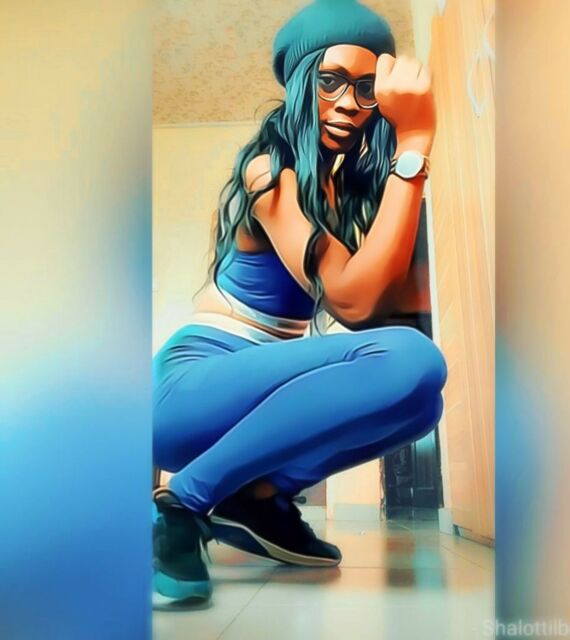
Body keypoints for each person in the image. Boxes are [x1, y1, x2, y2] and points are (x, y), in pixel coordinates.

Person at [152, 0, 447, 605]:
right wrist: (416, 142)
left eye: (366, 89)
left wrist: (402, 170)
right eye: (330, 80)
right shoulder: (269, 174)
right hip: (191, 390)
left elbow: (381, 305)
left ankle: (256, 498)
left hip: (250, 395)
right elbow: (356, 304)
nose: (349, 102)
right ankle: (184, 500)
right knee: (414, 359)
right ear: (298, 85)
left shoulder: (342, 191)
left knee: (422, 403)